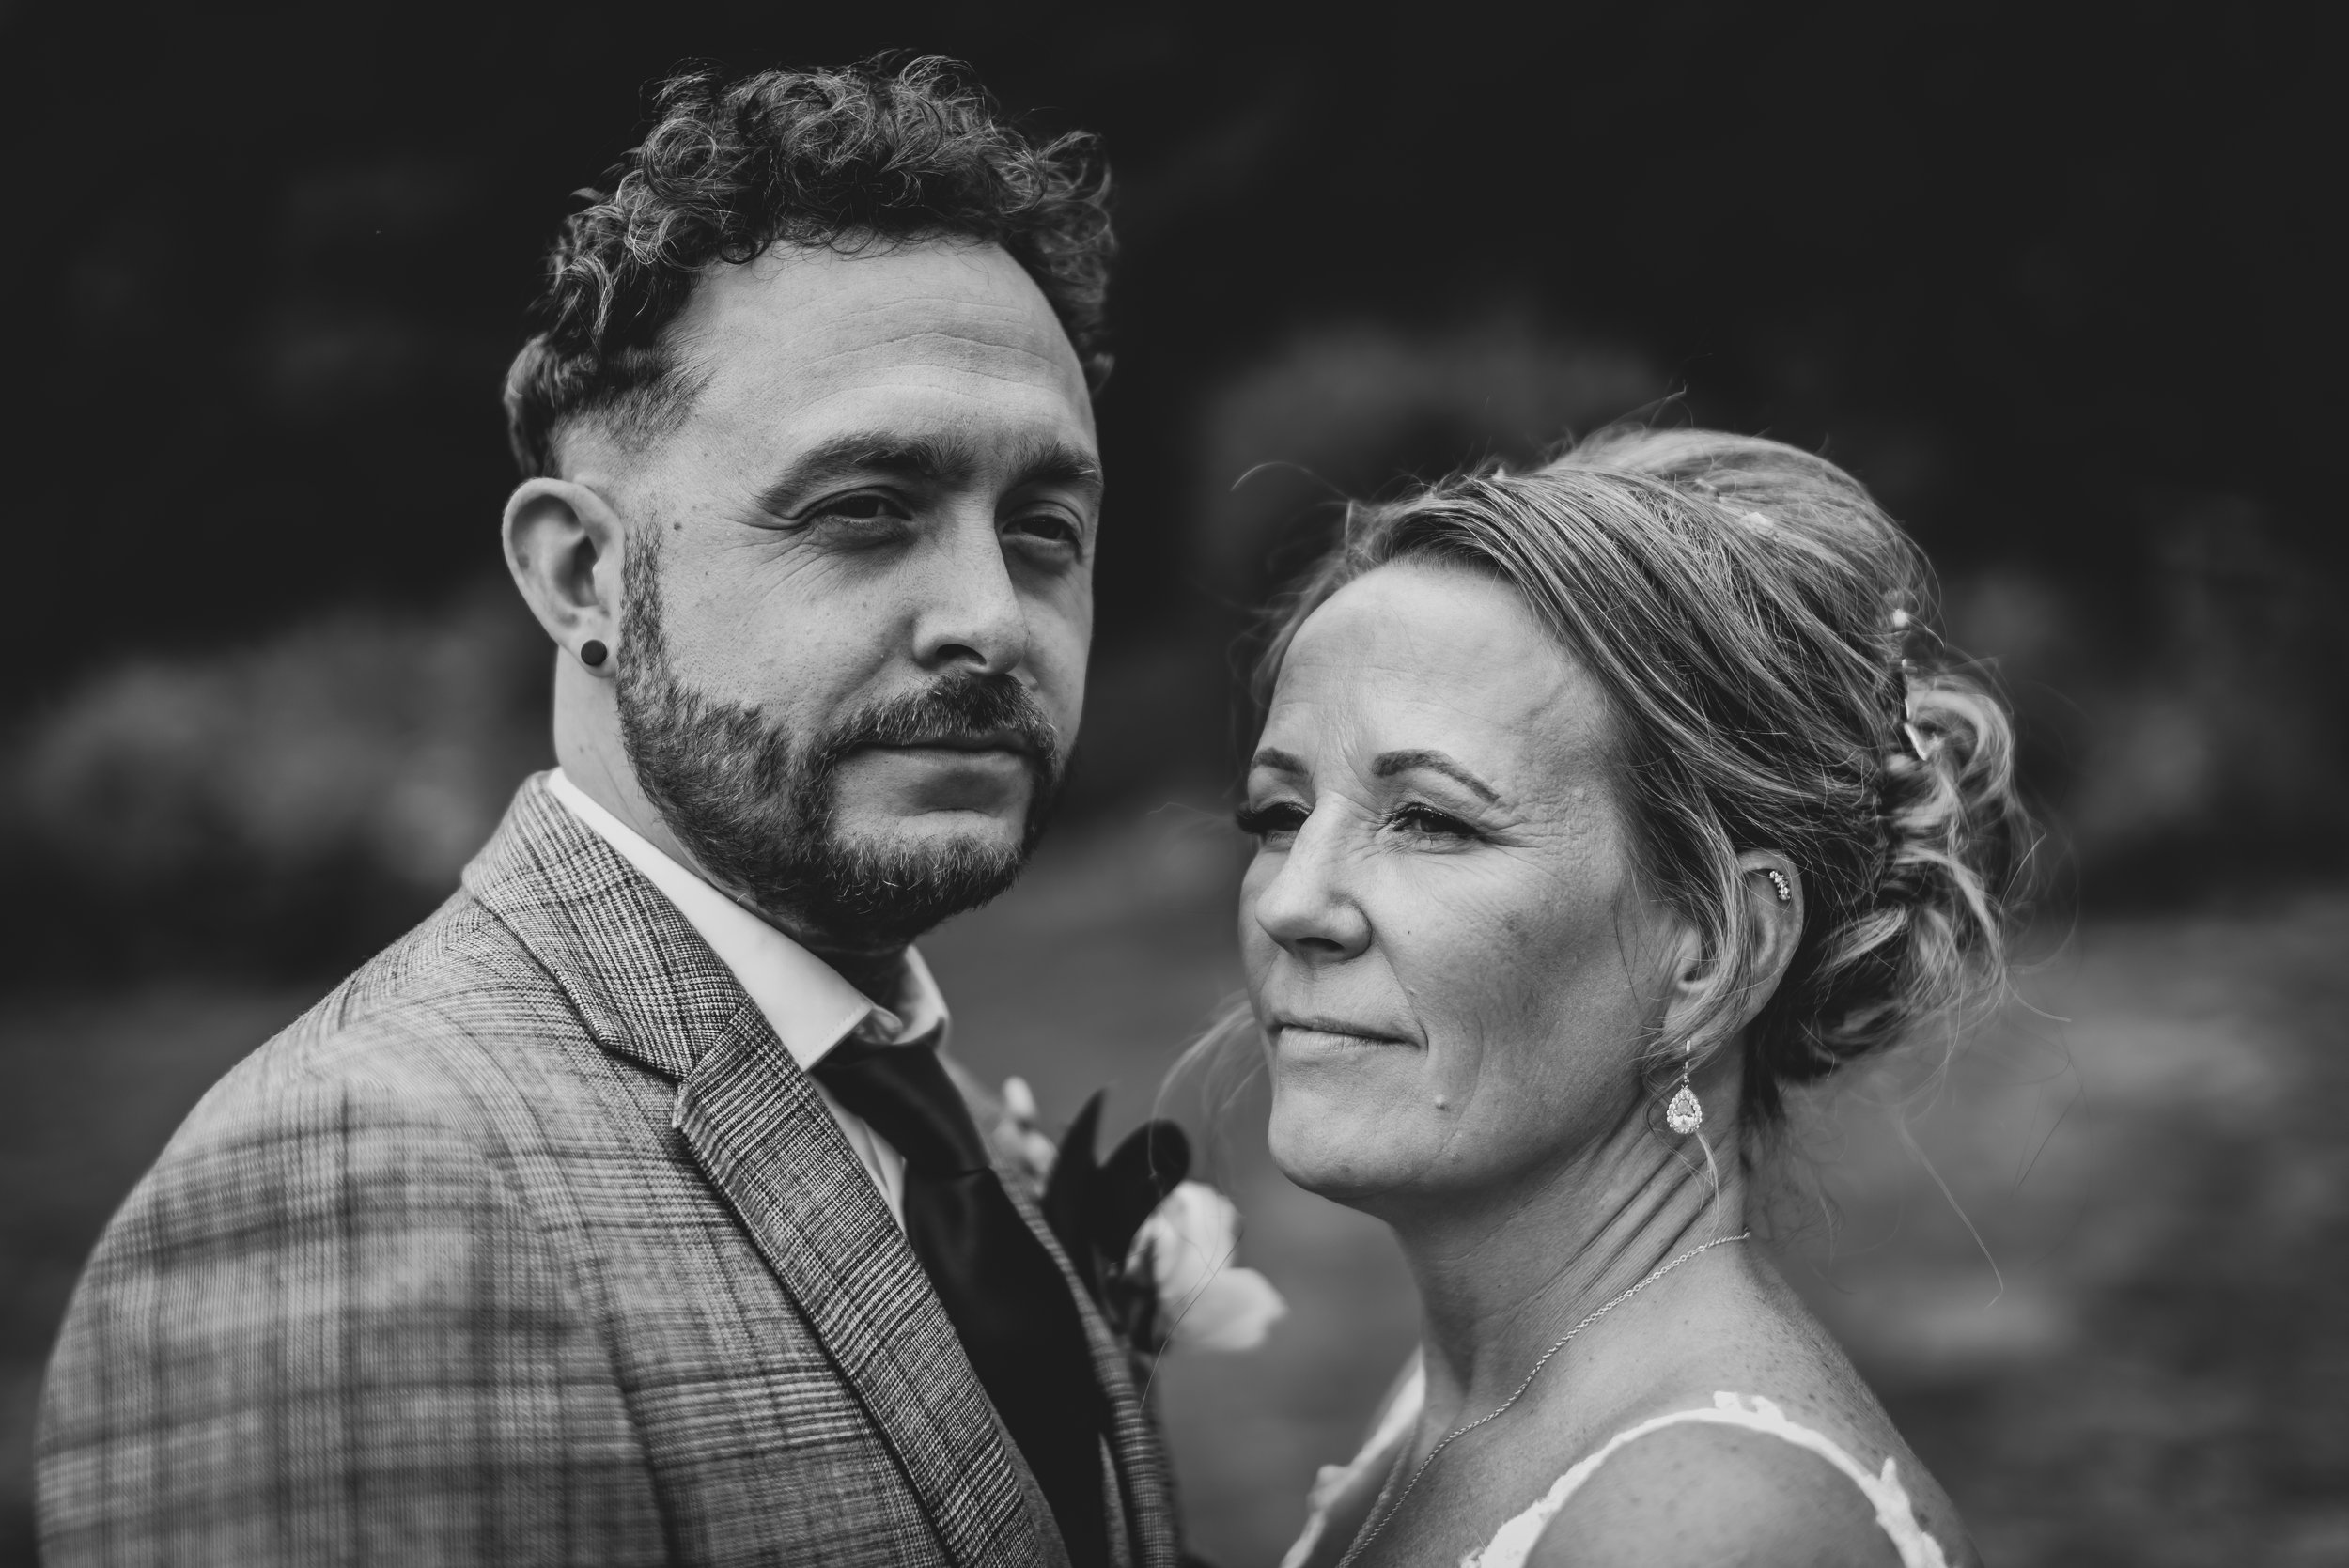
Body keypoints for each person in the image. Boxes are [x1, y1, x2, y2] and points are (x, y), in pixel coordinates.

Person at [38, 57, 1184, 1568]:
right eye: (862, 509)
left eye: (1046, 529)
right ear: (582, 574)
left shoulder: (935, 1117)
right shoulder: (360, 1188)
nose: (991, 617)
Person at [1240, 428, 2028, 1567]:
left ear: (1712, 951)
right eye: (1275, 814)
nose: (1289, 902)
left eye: (1432, 820)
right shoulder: (1445, 1407)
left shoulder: (1708, 1523)